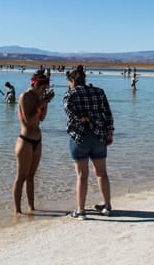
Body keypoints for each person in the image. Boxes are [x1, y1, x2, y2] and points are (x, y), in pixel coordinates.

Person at [63, 65, 114, 220]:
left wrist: (83, 119)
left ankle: (81, 211)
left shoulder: (69, 95)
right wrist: (109, 132)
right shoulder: (99, 92)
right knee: (102, 173)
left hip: (80, 138)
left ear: (72, 80)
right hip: (99, 137)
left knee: (82, 176)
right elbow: (108, 114)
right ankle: (107, 206)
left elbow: (71, 115)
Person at [12, 70, 54, 214]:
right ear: (35, 84)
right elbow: (29, 120)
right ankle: (17, 211)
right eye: (43, 88)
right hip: (25, 141)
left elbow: (41, 119)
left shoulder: (38, 97)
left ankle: (31, 207)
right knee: (21, 177)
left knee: (31, 176)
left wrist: (45, 102)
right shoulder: (25, 97)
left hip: (37, 140)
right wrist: (42, 103)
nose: (44, 90)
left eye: (46, 89)